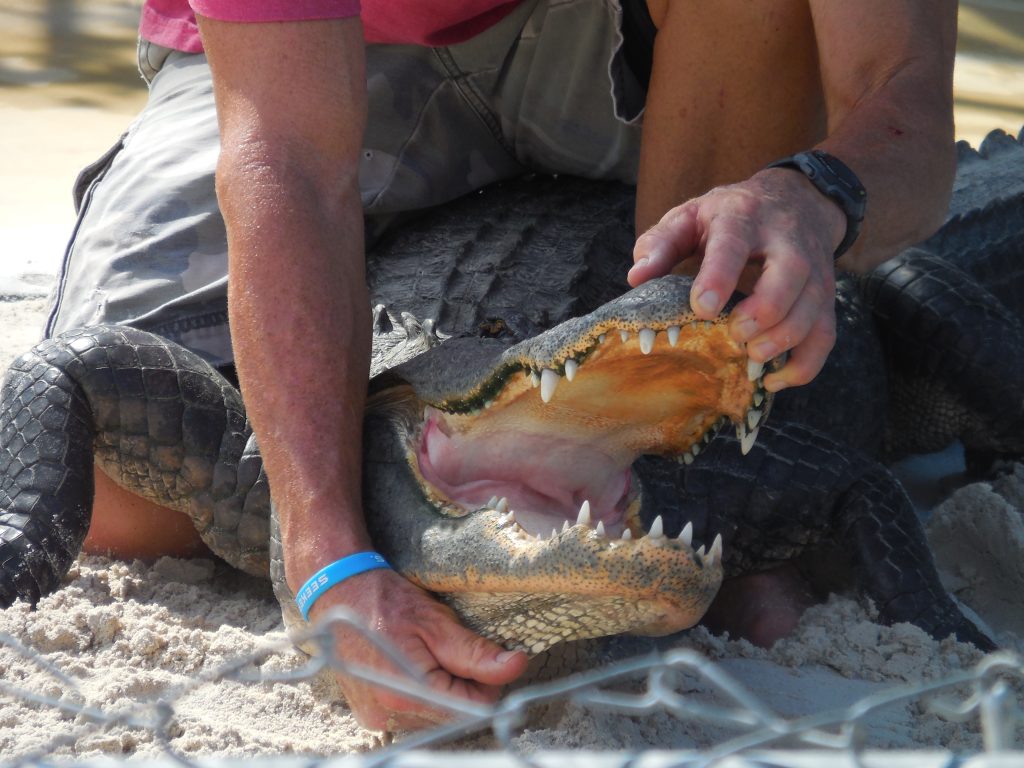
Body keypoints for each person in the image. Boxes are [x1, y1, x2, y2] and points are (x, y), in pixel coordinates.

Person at [46, 0, 958, 731]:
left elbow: (904, 93)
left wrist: (814, 191)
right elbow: (289, 155)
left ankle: (702, 464)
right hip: (303, 58)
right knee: (116, 495)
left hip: (614, 33)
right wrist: (324, 559)